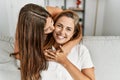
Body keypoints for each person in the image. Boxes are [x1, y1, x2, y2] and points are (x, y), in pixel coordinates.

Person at [11, 3, 82, 80]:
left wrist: (68, 47)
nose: (53, 28)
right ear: (35, 34)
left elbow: (77, 29)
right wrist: (40, 55)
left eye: (52, 22)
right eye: (47, 29)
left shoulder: (55, 11)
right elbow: (18, 55)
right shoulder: (23, 34)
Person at [43, 10, 95, 80]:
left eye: (68, 29)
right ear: (53, 25)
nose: (62, 32)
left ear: (73, 33)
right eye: (59, 26)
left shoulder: (81, 51)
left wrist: (64, 61)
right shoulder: (42, 47)